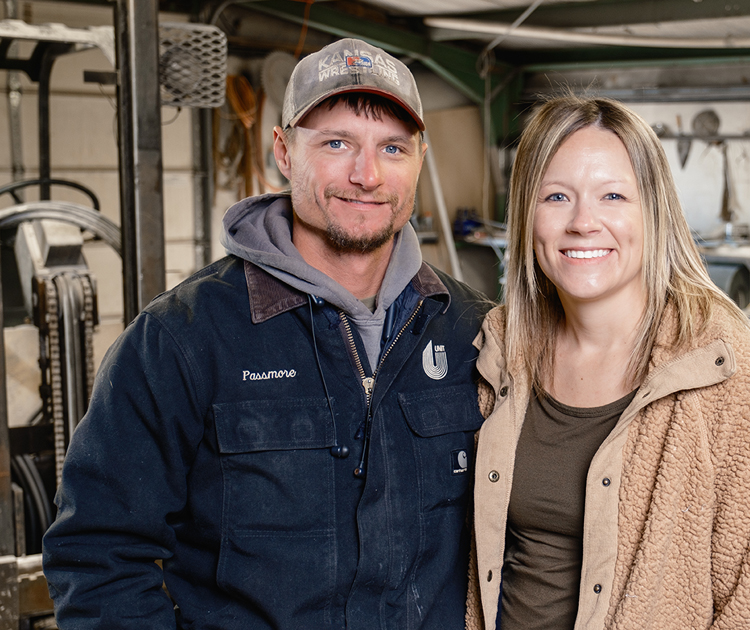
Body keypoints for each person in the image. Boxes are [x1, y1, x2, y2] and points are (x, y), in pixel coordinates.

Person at [42, 38, 490, 629]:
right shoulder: (183, 340)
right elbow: (98, 554)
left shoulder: (473, 333)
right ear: (282, 150)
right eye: (336, 143)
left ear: (420, 157)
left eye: (392, 147)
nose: (366, 174)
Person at [468, 95, 750, 630]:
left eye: (613, 195)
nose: (583, 222)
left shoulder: (723, 371)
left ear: (654, 212)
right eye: (556, 196)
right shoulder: (500, 353)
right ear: (526, 214)